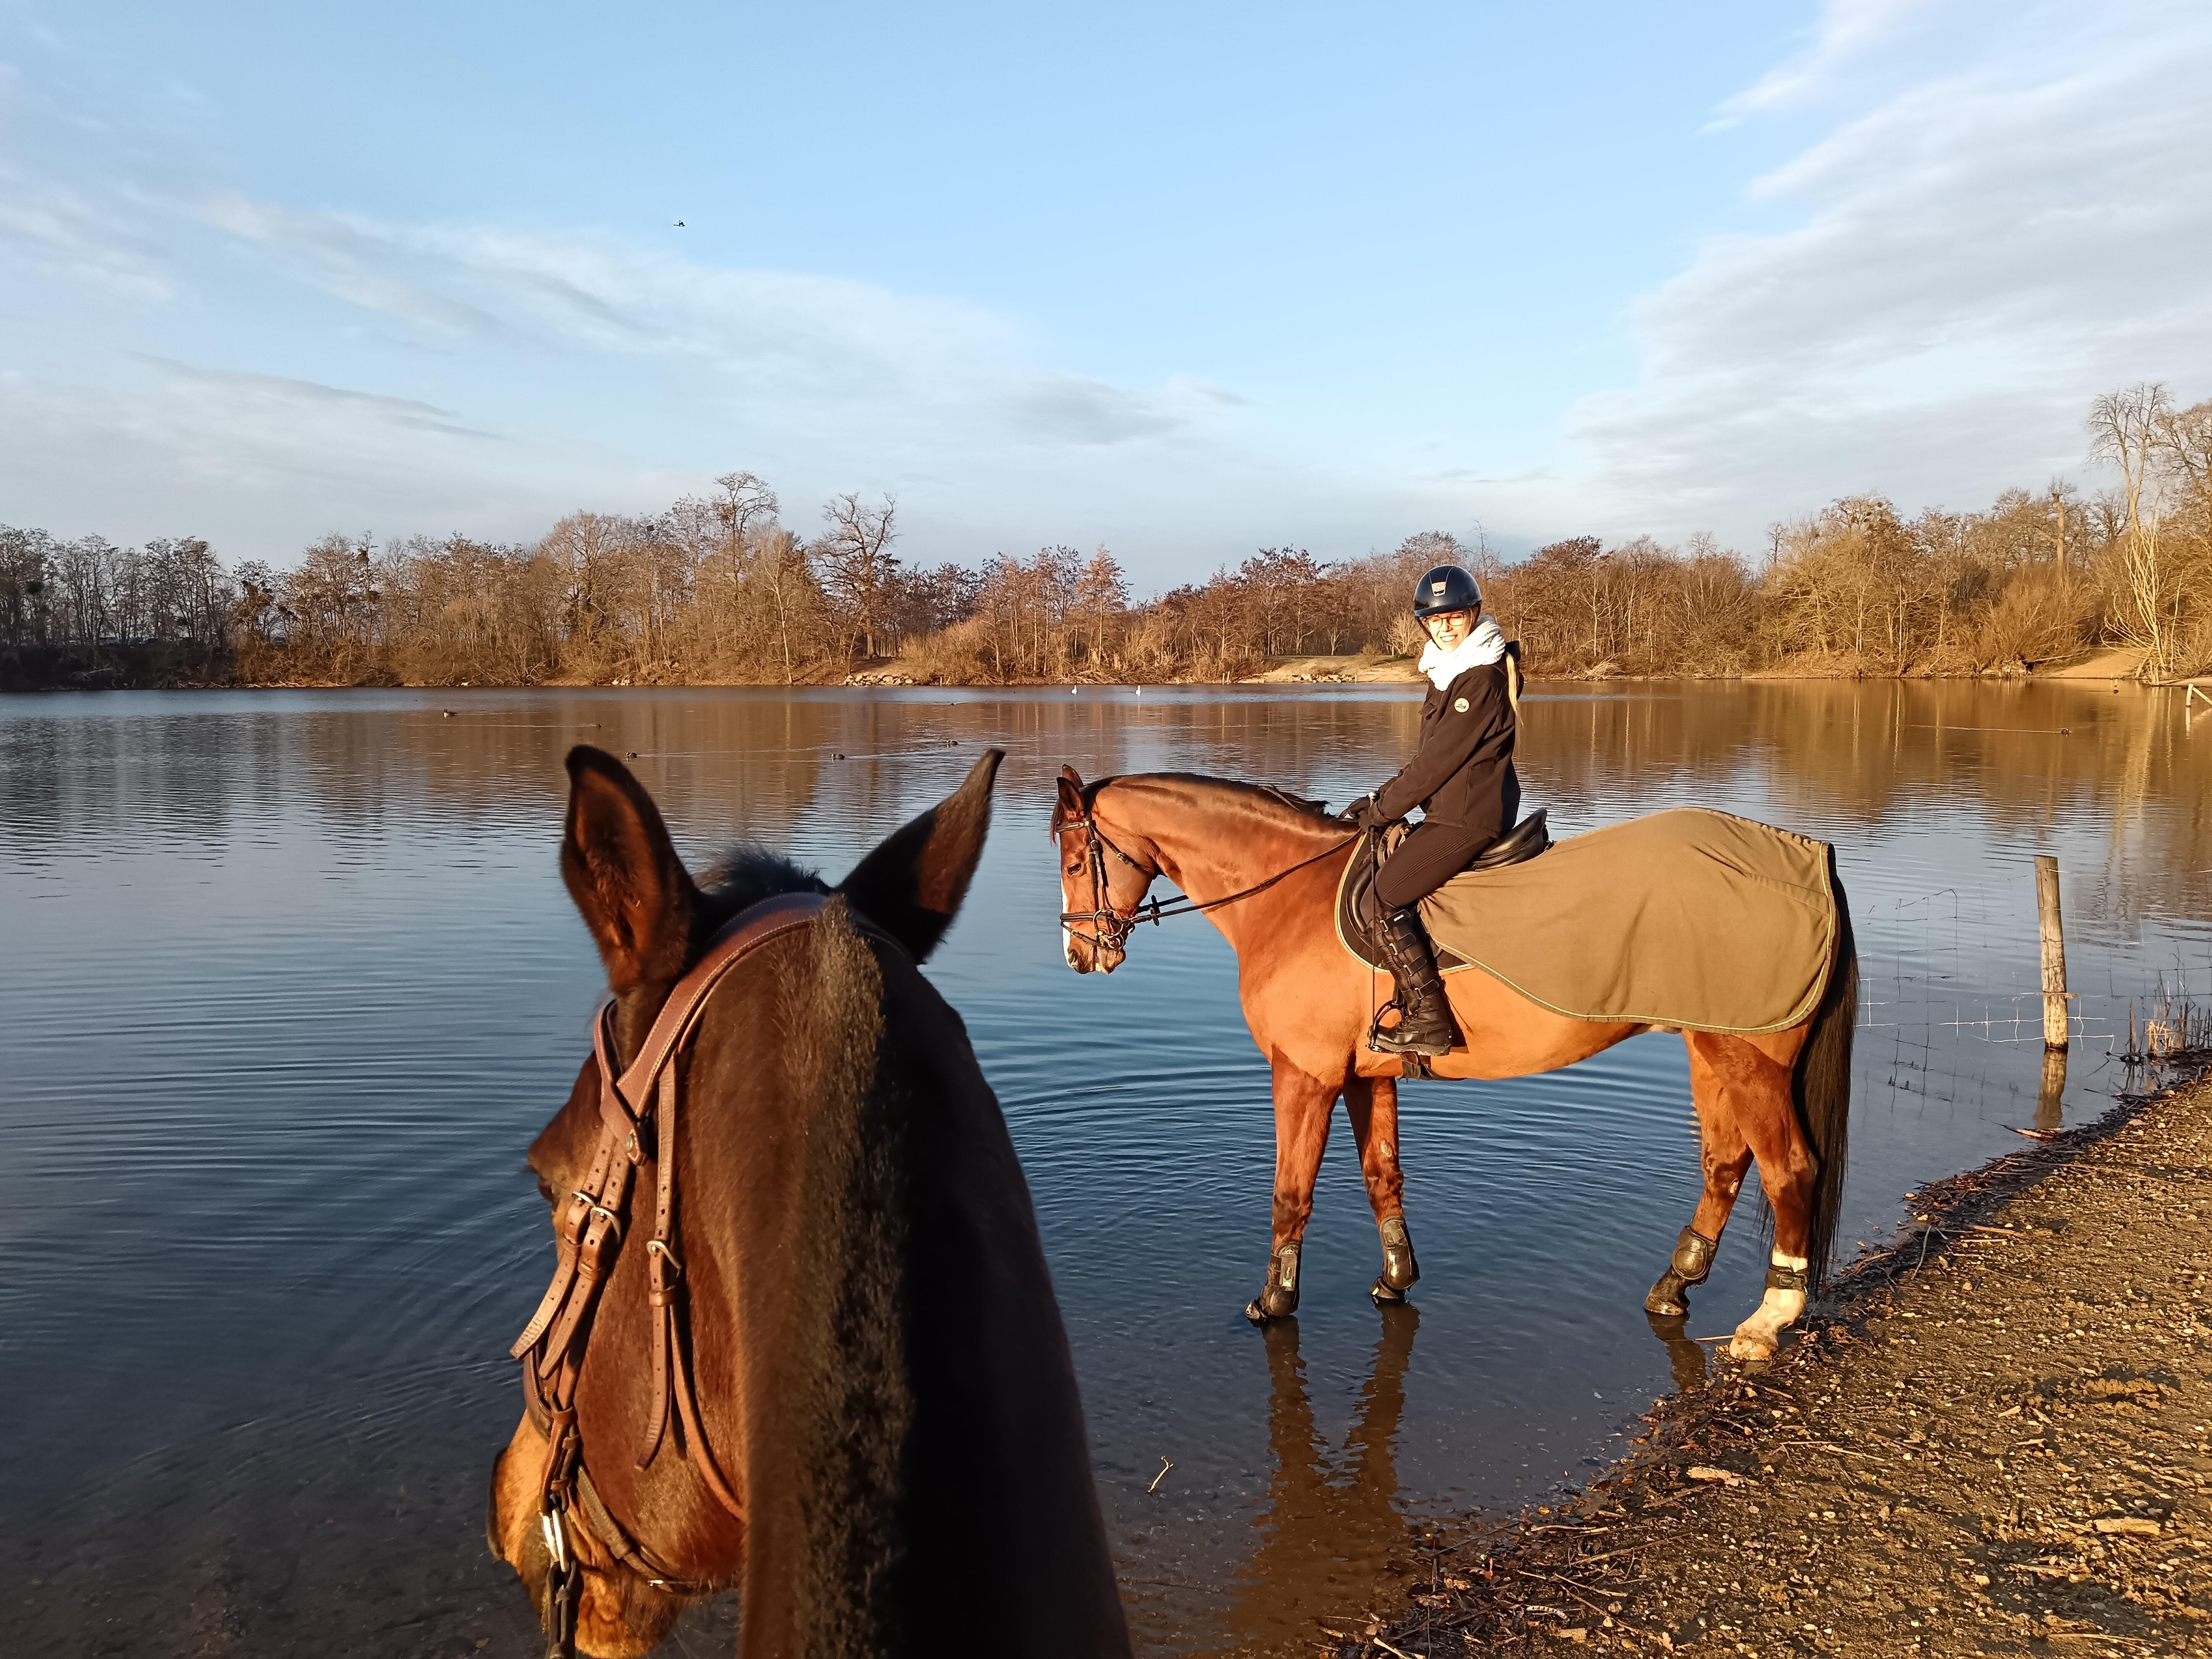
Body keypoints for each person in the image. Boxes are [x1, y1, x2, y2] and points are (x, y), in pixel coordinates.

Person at [1345, 564, 1520, 1056]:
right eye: (1434, 619)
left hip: (1468, 817)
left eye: (1454, 617)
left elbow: (1439, 764)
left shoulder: (1478, 679)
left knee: (1380, 899)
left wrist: (1382, 810)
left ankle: (1428, 1018)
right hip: (1449, 810)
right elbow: (1426, 761)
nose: (1444, 627)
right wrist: (1381, 800)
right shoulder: (1448, 674)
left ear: (1473, 615)